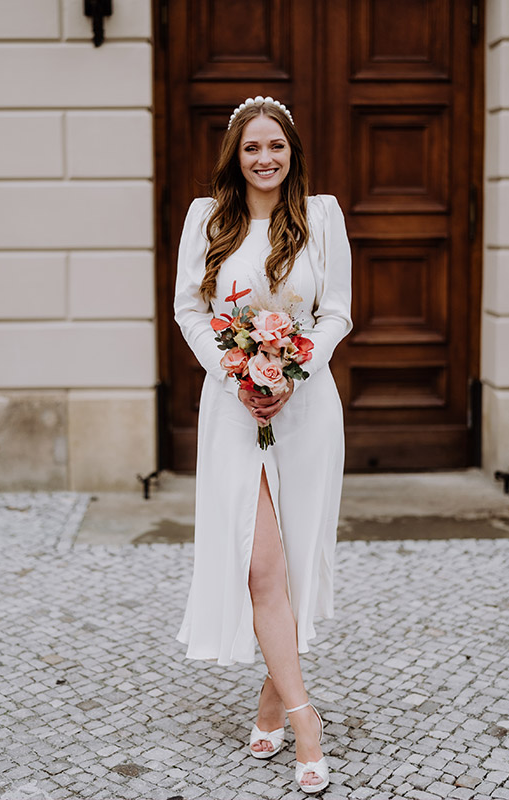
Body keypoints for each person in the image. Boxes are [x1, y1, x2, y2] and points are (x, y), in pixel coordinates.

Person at [172, 96, 352, 794]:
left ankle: (271, 700)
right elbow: (191, 308)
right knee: (258, 565)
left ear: (292, 151)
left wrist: (294, 369)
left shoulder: (321, 216)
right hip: (232, 405)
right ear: (235, 157)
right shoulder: (206, 219)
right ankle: (306, 719)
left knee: (295, 559)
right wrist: (234, 371)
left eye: (275, 146)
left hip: (306, 408)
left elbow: (335, 309)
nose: (265, 158)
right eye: (252, 148)